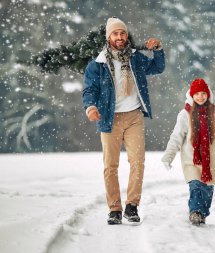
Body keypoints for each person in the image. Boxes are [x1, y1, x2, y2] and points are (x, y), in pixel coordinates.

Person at [82, 17, 165, 225]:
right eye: (115, 34)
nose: (119, 37)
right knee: (110, 165)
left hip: (134, 116)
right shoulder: (98, 64)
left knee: (137, 162)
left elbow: (157, 67)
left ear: (126, 36)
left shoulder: (135, 58)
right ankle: (115, 209)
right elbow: (89, 90)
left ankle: (131, 206)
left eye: (122, 33)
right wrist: (90, 107)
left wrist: (158, 49)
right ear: (108, 37)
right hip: (109, 118)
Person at [161, 79, 215, 225]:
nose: (200, 97)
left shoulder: (213, 113)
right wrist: (168, 156)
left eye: (203, 93)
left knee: (207, 191)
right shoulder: (185, 114)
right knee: (195, 186)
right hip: (192, 160)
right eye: (197, 94)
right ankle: (195, 212)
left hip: (210, 161)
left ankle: (202, 213)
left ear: (208, 95)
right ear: (191, 95)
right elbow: (176, 137)